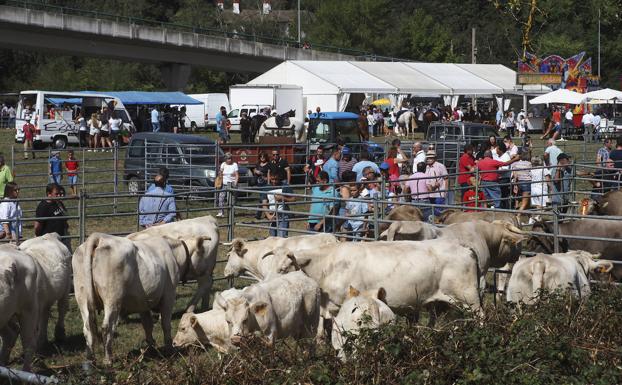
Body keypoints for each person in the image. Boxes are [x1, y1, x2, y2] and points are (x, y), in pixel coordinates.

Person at [263, 171, 295, 237]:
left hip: (283, 215)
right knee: (272, 238)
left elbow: (293, 199)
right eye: (272, 179)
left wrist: (283, 198)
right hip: (272, 216)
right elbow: (264, 204)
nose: (274, 181)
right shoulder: (266, 188)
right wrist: (268, 215)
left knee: (282, 238)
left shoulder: (285, 186)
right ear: (270, 178)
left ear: (279, 178)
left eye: (276, 179)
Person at [424, 150, 448, 217]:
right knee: (431, 212)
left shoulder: (440, 166)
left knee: (439, 213)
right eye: (428, 158)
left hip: (439, 194)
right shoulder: (427, 167)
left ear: (435, 158)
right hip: (430, 194)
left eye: (431, 158)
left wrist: (445, 191)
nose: (429, 159)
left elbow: (446, 178)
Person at [217, 153, 239, 217]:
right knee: (221, 198)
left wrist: (235, 183)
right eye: (228, 159)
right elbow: (220, 173)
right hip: (224, 184)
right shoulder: (223, 164)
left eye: (230, 158)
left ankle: (232, 212)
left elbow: (237, 175)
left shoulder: (234, 165)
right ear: (225, 159)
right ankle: (221, 212)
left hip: (232, 184)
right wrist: (220, 174)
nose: (230, 160)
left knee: (232, 199)